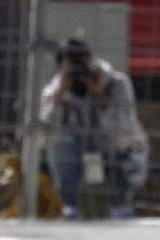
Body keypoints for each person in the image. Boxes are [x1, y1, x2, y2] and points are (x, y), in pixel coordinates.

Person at [40, 38, 150, 219]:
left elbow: (124, 132)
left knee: (125, 156)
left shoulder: (117, 83)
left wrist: (101, 96)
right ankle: (71, 209)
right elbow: (47, 128)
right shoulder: (56, 89)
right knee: (61, 145)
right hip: (79, 155)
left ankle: (121, 209)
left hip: (115, 154)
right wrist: (60, 96)